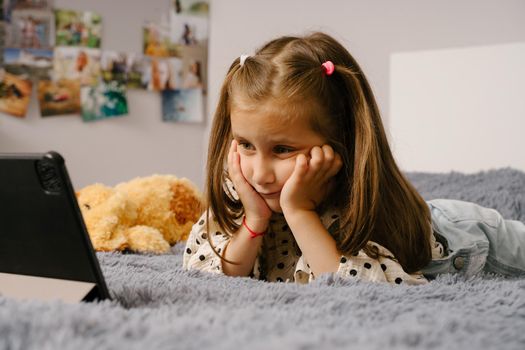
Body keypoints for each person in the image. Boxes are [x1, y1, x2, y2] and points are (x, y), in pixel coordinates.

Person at [183, 32, 525, 285]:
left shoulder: (356, 203)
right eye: (245, 145)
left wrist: (300, 212)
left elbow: (363, 289)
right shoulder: (242, 191)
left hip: (463, 234)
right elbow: (208, 270)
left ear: (339, 144)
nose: (259, 173)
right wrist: (253, 221)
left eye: (283, 150)